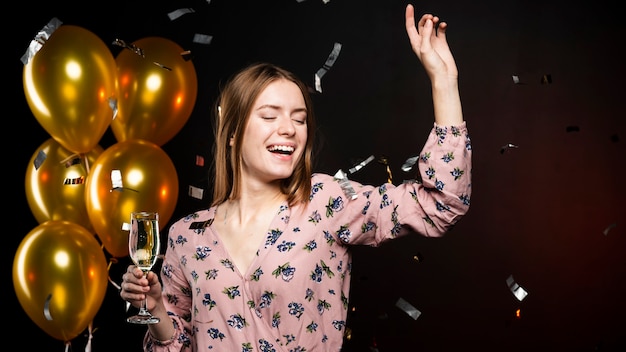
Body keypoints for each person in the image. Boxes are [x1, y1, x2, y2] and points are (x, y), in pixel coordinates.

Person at [120, 4, 472, 351]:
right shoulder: (187, 237)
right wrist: (154, 308)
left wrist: (444, 82)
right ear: (233, 132)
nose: (288, 129)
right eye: (270, 116)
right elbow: (174, 346)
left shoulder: (327, 201)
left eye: (299, 119)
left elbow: (441, 206)